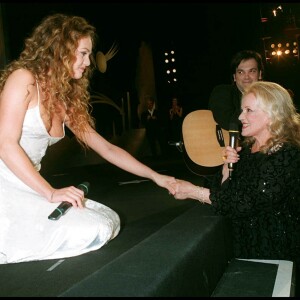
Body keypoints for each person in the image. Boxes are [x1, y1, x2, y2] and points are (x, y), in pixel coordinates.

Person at [0, 13, 177, 264]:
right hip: (5, 183)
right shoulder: (24, 79)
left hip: (31, 185)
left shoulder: (65, 99)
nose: (88, 62)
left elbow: (105, 148)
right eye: (83, 53)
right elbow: (5, 145)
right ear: (60, 49)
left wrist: (155, 176)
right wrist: (50, 193)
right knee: (91, 230)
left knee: (106, 223)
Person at [172, 81, 300, 289]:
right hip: (247, 250)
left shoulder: (287, 155)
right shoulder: (249, 151)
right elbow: (226, 192)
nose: (240, 117)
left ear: (273, 114)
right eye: (242, 110)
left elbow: (245, 203)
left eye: (248, 110)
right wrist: (226, 169)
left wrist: (193, 192)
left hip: (276, 255)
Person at [208, 50, 264, 131]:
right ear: (234, 77)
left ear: (260, 74)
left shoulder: (269, 98)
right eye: (241, 72)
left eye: (252, 71)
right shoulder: (222, 92)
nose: (247, 77)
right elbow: (228, 123)